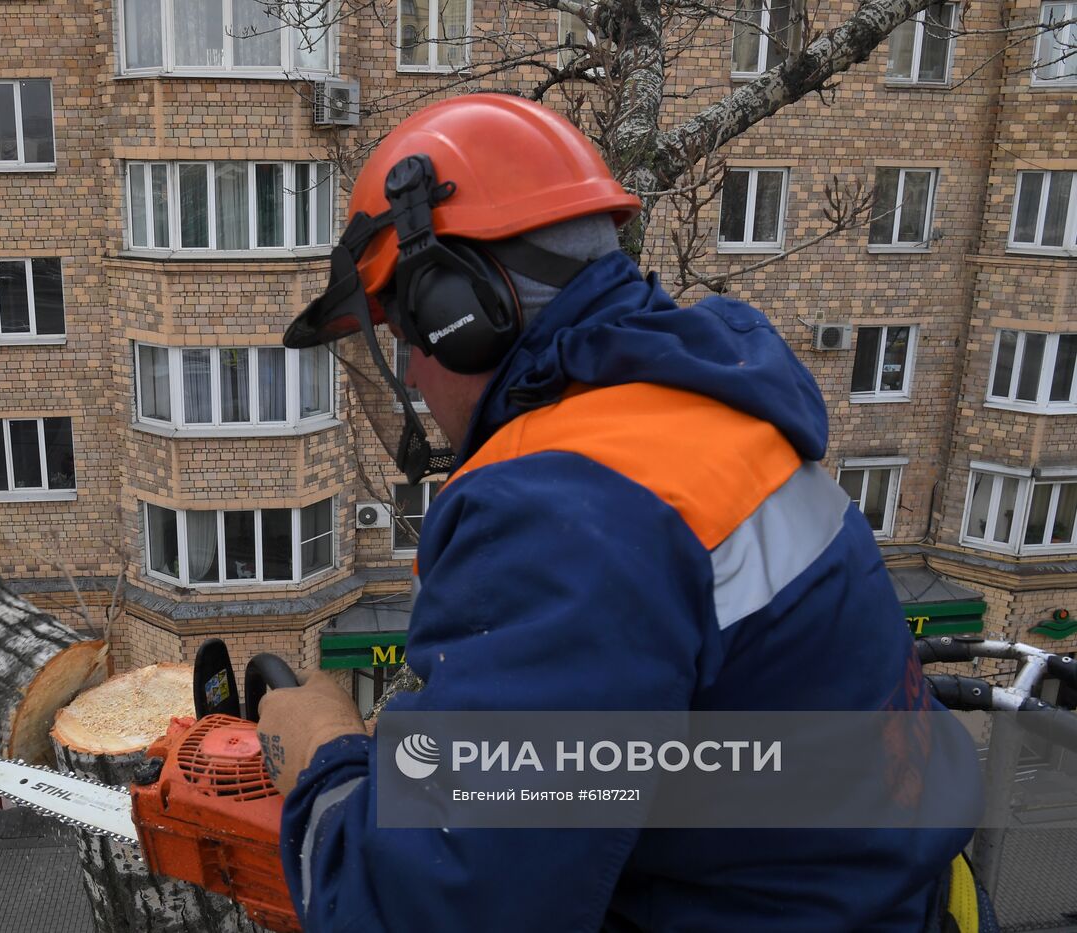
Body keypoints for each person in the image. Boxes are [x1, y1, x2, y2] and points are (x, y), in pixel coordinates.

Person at [256, 93, 987, 932]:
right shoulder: (707, 404)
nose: (413, 376)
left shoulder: (557, 510)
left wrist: (324, 754)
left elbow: (429, 907)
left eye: (407, 332)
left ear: (461, 309)